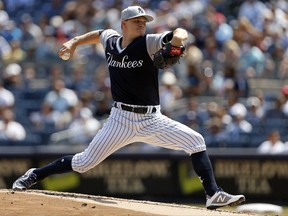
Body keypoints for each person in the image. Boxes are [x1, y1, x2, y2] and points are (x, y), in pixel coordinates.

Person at [12, 6, 245, 210]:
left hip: (152, 120)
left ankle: (213, 194)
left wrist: (177, 40)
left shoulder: (149, 41)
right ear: (124, 24)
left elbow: (179, 35)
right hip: (120, 119)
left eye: (144, 22)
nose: (142, 25)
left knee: (196, 142)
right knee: (83, 163)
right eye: (137, 22)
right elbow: (99, 34)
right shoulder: (112, 40)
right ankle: (34, 174)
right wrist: (74, 42)